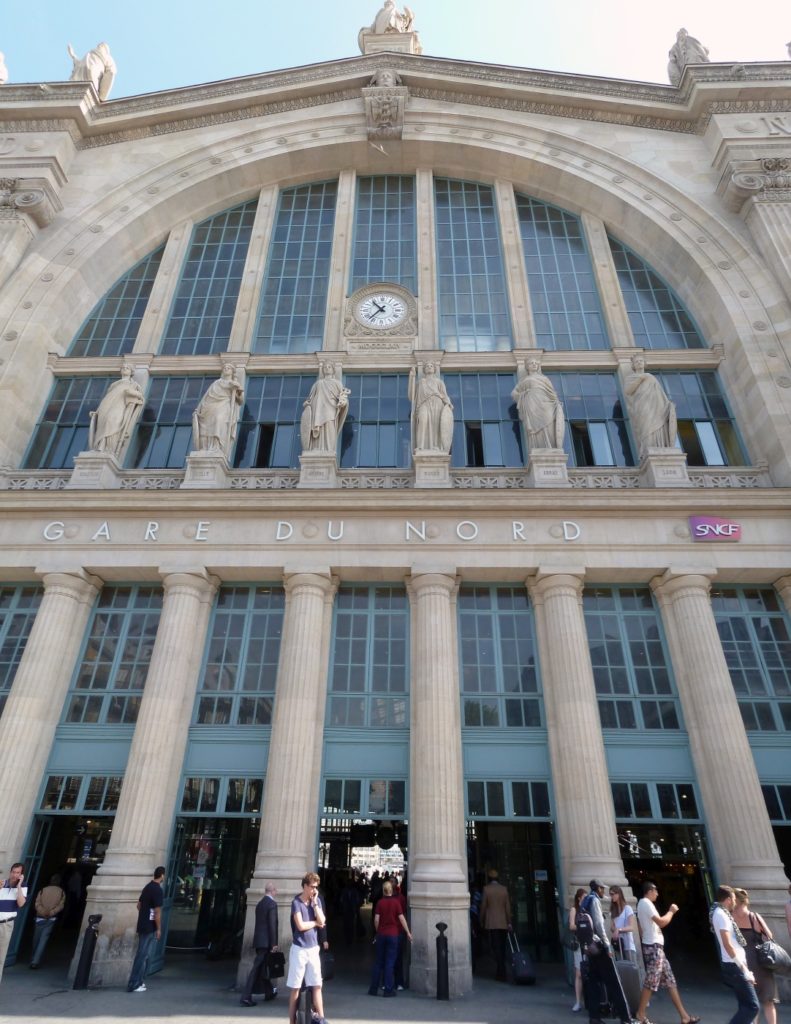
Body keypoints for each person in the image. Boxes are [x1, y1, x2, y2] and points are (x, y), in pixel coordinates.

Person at [635, 881, 699, 1024]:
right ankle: (640, 1014)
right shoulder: (645, 903)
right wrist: (671, 911)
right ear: (650, 891)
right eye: (656, 890)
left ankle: (684, 1016)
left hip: (655, 947)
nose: (657, 893)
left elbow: (642, 927)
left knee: (670, 981)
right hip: (654, 947)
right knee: (651, 981)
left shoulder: (644, 904)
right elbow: (662, 922)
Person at [579, 880, 633, 1024]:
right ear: (598, 889)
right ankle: (626, 1018)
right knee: (614, 982)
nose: (604, 892)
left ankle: (594, 1016)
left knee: (593, 982)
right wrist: (607, 945)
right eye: (603, 889)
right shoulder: (594, 900)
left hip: (590, 947)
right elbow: (598, 924)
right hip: (599, 946)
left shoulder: (584, 901)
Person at [711, 884, 759, 1024]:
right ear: (728, 899)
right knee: (752, 1006)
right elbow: (727, 944)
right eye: (733, 898)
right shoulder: (721, 915)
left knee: (745, 1006)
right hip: (735, 966)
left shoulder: (721, 913)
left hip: (735, 965)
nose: (735, 902)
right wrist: (744, 970)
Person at [732, 887, 778, 1024]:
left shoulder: (730, 918)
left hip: (742, 962)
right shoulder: (754, 917)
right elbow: (769, 936)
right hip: (760, 961)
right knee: (768, 1002)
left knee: (752, 1003)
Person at [287, 873, 328, 1024]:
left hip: (313, 949)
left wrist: (316, 904)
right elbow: (301, 926)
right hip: (299, 949)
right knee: (296, 988)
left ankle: (322, 1019)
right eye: (312, 887)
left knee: (317, 985)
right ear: (305, 886)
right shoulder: (296, 902)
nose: (314, 890)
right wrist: (315, 923)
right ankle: (292, 1020)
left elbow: (323, 920)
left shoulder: (316, 901)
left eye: (316, 887)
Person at [89, 362, 145, 459]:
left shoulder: (134, 385)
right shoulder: (114, 384)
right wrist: (97, 411)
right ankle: (100, 447)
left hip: (120, 405)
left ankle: (109, 449)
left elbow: (140, 397)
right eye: (123, 367)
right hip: (106, 406)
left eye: (127, 368)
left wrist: (133, 393)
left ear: (131, 372)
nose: (124, 368)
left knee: (112, 421)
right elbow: (107, 397)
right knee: (103, 423)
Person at [623, 354, 677, 454]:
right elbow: (628, 390)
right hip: (641, 406)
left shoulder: (651, 377)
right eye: (636, 362)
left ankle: (659, 447)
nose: (639, 363)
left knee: (657, 425)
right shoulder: (631, 378)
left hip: (656, 407)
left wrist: (668, 405)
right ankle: (647, 449)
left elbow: (660, 393)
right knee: (646, 428)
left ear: (644, 363)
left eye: (641, 361)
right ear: (633, 366)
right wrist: (641, 378)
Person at [368, 879, 412, 996]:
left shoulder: (380, 903)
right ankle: (388, 989)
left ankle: (373, 988)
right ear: (391, 890)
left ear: (383, 891)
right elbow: (402, 918)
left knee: (378, 962)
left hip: (381, 934)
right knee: (390, 962)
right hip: (393, 935)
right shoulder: (396, 903)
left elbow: (376, 919)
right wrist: (407, 932)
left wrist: (378, 931)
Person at [511, 358, 565, 450]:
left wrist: (556, 403)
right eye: (531, 363)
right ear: (527, 367)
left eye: (536, 363)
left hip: (546, 403)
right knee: (535, 429)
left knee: (548, 426)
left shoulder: (544, 378)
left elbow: (552, 393)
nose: (534, 364)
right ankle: (538, 447)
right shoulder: (524, 380)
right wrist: (524, 395)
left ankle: (550, 447)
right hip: (531, 404)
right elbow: (513, 393)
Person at [240, 881, 279, 1007]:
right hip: (266, 942)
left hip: (259, 941)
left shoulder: (260, 903)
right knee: (257, 968)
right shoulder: (272, 904)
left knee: (263, 967)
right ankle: (246, 996)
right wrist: (274, 943)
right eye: (275, 890)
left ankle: (269, 992)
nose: (276, 892)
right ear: (272, 891)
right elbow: (272, 925)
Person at [192, 363, 244, 456]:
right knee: (207, 425)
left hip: (224, 404)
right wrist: (199, 408)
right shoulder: (216, 383)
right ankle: (206, 448)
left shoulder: (235, 383)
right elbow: (206, 396)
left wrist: (236, 391)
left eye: (228, 368)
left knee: (219, 420)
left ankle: (217, 447)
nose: (226, 369)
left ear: (232, 372)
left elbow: (240, 400)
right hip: (210, 406)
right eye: (224, 368)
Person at [127, 866, 165, 993]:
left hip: (143, 924)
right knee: (142, 955)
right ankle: (134, 983)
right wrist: (159, 928)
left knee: (144, 955)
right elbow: (157, 912)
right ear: (162, 876)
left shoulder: (147, 887)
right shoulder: (158, 890)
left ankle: (139, 981)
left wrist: (144, 915)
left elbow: (139, 905)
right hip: (150, 927)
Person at [299, 362, 350, 454]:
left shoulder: (337, 383)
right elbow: (310, 398)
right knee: (319, 428)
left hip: (331, 408)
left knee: (329, 428)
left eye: (329, 367)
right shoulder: (318, 383)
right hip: (318, 409)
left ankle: (329, 449)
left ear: (333, 370)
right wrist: (306, 404)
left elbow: (342, 396)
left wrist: (343, 402)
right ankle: (317, 448)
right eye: (325, 367)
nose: (327, 368)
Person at [409, 361, 453, 452]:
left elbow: (444, 395)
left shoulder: (439, 382)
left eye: (431, 366)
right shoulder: (420, 382)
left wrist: (448, 404)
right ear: (424, 370)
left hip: (437, 403)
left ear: (434, 369)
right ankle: (420, 446)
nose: (429, 367)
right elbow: (411, 396)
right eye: (427, 366)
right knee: (422, 422)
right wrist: (412, 378)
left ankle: (436, 446)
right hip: (423, 404)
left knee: (435, 424)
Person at [479, 868, 512, 982]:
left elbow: (483, 906)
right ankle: (501, 970)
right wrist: (509, 922)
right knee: (502, 947)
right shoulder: (504, 889)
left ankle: (500, 971)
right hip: (503, 923)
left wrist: (481, 919)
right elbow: (507, 908)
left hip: (491, 923)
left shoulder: (486, 889)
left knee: (495, 946)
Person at [30, 874, 65, 969]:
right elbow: (61, 906)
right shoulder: (61, 892)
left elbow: (37, 903)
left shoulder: (43, 890)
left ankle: (33, 958)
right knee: (43, 941)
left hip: (40, 918)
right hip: (51, 919)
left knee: (35, 940)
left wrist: (43, 912)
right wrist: (51, 913)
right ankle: (35, 961)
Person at [0, 863, 27, 985]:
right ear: (10, 872)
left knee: (0, 957)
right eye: (13, 872)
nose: (14, 875)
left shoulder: (23, 887)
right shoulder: (1, 883)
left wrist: (19, 886)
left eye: (17, 873)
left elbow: (21, 904)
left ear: (21, 874)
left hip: (6, 924)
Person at [569, 887, 587, 1012]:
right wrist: (583, 926)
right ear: (579, 898)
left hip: (589, 944)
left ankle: (589, 1000)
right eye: (584, 897)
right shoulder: (574, 909)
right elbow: (571, 926)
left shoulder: (588, 909)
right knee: (579, 973)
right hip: (579, 943)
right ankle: (577, 1001)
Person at [609, 885, 636, 963]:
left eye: (613, 894)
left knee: (631, 969)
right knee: (621, 969)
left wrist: (619, 930)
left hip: (628, 944)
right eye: (610, 894)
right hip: (618, 943)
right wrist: (615, 930)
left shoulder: (627, 908)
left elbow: (631, 927)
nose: (611, 896)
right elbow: (612, 927)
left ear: (619, 894)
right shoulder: (613, 910)